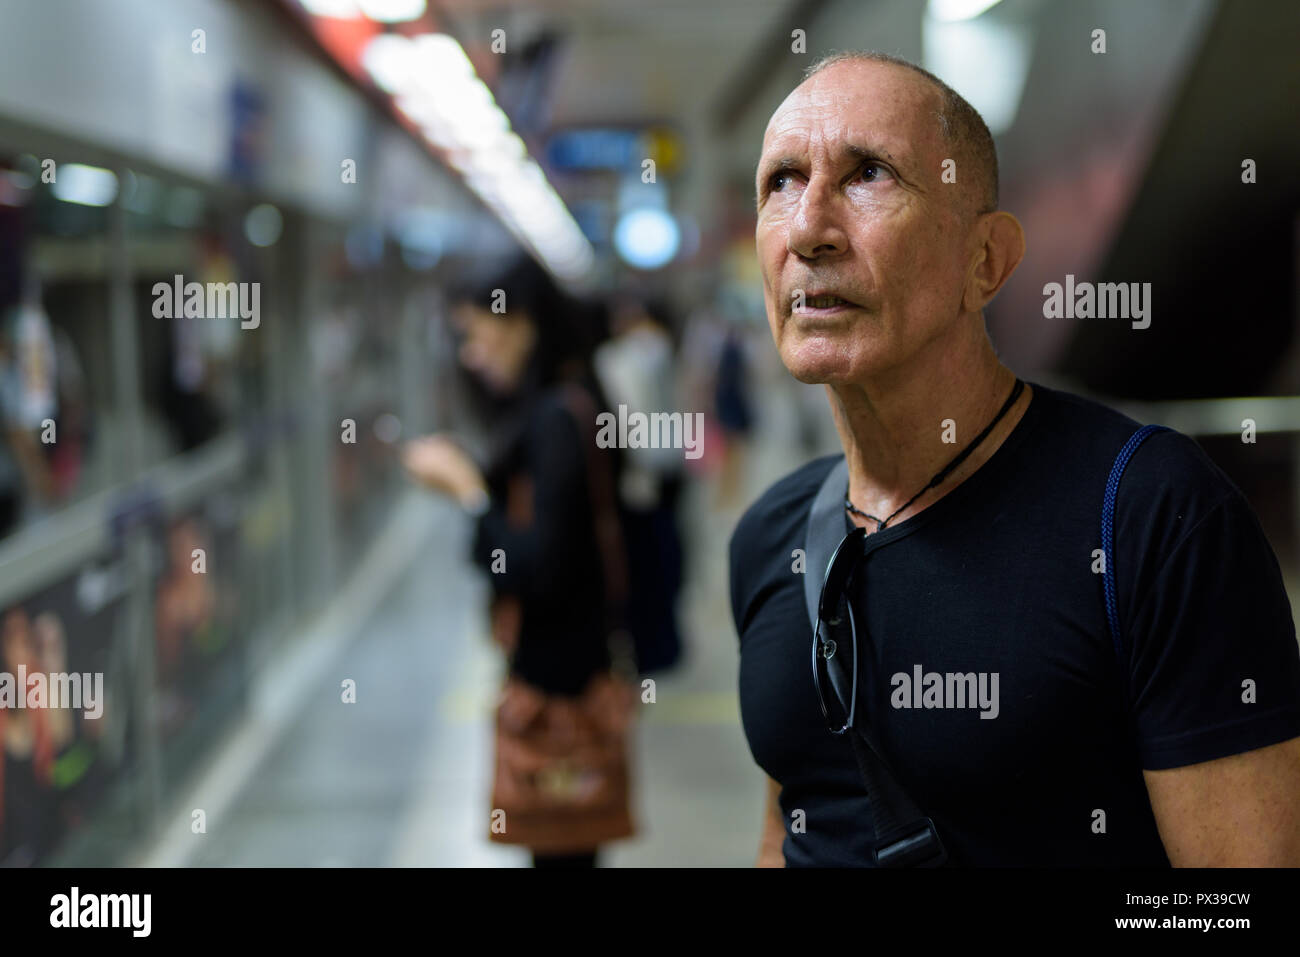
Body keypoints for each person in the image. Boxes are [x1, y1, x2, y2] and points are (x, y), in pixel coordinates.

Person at [730, 51, 1300, 867]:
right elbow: (795, 826)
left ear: (985, 261)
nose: (809, 227)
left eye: (869, 174)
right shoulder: (775, 536)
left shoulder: (1150, 516)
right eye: (781, 180)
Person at [403, 256, 636, 868]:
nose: (473, 356)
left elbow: (537, 567)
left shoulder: (558, 418)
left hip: (563, 675)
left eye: (481, 335)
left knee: (561, 850)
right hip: (572, 660)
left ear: (524, 325)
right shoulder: (569, 402)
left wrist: (468, 493)